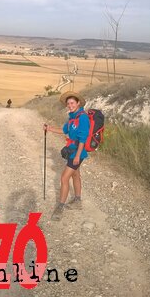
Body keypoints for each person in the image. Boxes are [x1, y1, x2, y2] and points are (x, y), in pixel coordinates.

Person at [43, 91, 90, 221]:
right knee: (75, 175)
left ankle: (60, 207)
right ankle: (78, 201)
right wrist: (50, 129)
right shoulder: (72, 117)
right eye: (68, 103)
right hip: (71, 151)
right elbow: (64, 131)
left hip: (78, 153)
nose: (70, 105)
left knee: (64, 178)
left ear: (78, 103)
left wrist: (77, 156)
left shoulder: (83, 118)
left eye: (72, 103)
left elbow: (82, 139)